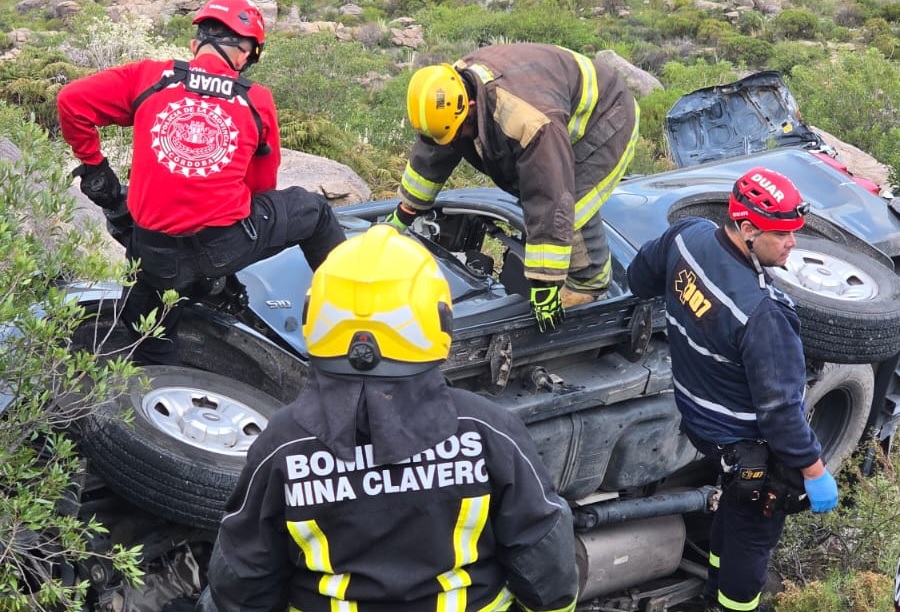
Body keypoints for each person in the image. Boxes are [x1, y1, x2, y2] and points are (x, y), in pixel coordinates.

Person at [197, 224, 579, 612]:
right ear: (439, 322)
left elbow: (244, 578)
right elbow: (544, 557)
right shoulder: (487, 430)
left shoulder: (283, 442)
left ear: (316, 317)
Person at [56, 0, 346, 366]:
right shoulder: (256, 99)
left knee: (150, 338)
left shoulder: (148, 78)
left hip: (154, 255)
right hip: (226, 246)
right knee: (315, 212)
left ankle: (160, 384)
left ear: (196, 45)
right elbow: (261, 187)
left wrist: (95, 165)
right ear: (244, 54)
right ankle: (352, 310)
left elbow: (71, 101)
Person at [626, 167, 839, 612]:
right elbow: (781, 413)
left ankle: (714, 585)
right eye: (781, 234)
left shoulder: (687, 236)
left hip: (702, 422)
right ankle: (731, 604)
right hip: (749, 443)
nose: (792, 243)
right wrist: (815, 471)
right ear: (746, 229)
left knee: (736, 502)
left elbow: (640, 276)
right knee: (755, 525)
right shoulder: (762, 314)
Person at [386, 43, 640, 333]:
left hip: (605, 119)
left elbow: (550, 198)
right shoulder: (446, 93)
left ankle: (589, 283)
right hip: (551, 107)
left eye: (459, 132)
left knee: (570, 208)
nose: (456, 140)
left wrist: (544, 284)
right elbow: (433, 153)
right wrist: (405, 213)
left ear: (470, 108)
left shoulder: (528, 120)